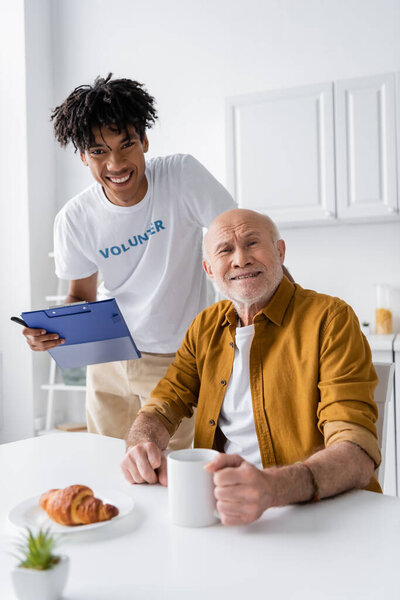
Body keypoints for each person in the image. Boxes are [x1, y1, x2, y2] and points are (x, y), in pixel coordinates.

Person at [121, 208, 381, 526]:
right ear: (209, 269)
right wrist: (141, 444)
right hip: (224, 510)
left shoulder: (331, 320)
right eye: (225, 250)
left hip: (319, 513)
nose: (240, 259)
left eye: (252, 243)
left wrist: (273, 488)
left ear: (280, 251)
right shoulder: (205, 325)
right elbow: (164, 404)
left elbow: (355, 451)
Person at [22, 73, 237, 448]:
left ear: (144, 140)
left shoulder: (181, 177)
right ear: (83, 156)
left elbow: (238, 236)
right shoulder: (75, 218)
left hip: (175, 359)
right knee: (109, 467)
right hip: (107, 356)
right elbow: (81, 295)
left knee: (173, 472)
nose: (116, 164)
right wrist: (53, 330)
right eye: (100, 152)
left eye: (127, 145)